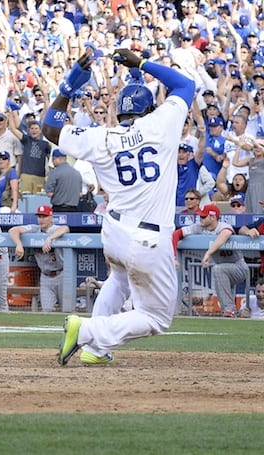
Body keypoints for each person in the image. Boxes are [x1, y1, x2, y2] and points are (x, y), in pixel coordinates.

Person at [44, 48, 195, 366]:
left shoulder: (102, 137)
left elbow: (49, 128)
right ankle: (86, 331)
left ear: (120, 112)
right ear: (151, 107)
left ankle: (96, 351)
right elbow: (184, 85)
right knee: (156, 318)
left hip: (114, 229)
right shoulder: (161, 124)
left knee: (119, 279)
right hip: (148, 237)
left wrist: (68, 87)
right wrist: (140, 63)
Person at [173, 204, 249, 318]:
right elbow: (176, 234)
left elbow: (226, 233)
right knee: (219, 270)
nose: (200, 218)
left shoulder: (222, 226)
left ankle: (229, 310)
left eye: (204, 217)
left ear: (212, 217)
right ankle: (230, 313)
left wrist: (208, 253)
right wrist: (174, 257)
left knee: (218, 269)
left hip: (239, 267)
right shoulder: (199, 227)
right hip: (223, 270)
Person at [9, 205, 69, 312]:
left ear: (51, 217)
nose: (41, 219)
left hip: (61, 274)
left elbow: (65, 228)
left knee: (66, 309)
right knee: (46, 310)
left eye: (44, 216)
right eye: (40, 216)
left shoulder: (55, 229)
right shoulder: (34, 229)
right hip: (45, 276)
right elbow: (13, 230)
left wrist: (50, 238)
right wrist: (18, 244)